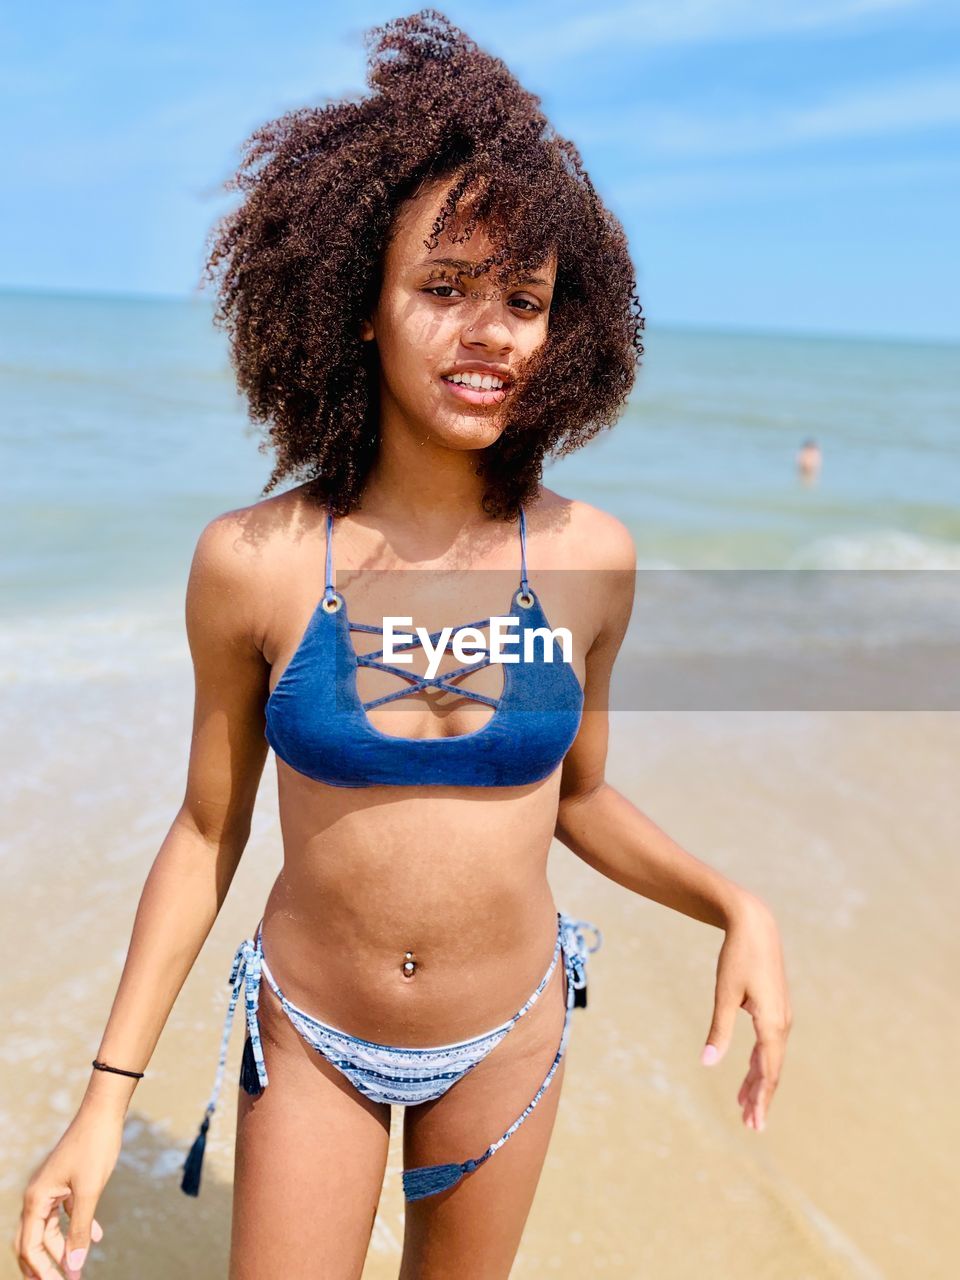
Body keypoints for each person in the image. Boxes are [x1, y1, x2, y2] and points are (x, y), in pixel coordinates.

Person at [13, 11, 792, 1279]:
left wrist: (733, 900)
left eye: (522, 300)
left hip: (510, 1034)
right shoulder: (252, 563)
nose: (488, 332)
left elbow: (579, 797)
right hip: (313, 1031)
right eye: (442, 289)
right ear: (360, 307)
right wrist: (106, 1095)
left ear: (561, 331)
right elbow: (209, 829)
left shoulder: (593, 556)